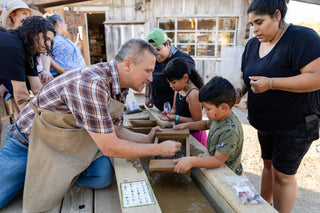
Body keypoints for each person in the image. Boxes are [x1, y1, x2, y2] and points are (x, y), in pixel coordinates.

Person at [0, 39, 181, 212]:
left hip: (65, 143)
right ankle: (37, 174)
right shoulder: (92, 83)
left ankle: (49, 174)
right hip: (27, 143)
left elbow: (115, 129)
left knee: (102, 175)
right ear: (127, 64)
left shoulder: (121, 86)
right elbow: (110, 147)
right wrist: (157, 149)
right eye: (147, 71)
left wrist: (146, 139)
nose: (151, 78)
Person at [240, 0, 320, 212]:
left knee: (283, 174)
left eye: (259, 22)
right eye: (251, 24)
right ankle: (264, 208)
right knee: (267, 165)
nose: (255, 29)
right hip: (265, 124)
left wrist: (272, 83)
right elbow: (244, 79)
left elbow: (316, 77)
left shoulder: (302, 38)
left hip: (296, 125)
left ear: (277, 15)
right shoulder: (252, 44)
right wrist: (230, 95)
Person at [173, 76, 244, 176]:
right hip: (217, 165)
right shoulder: (219, 117)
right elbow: (206, 124)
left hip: (228, 174)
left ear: (223, 107)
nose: (205, 112)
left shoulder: (230, 131)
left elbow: (218, 160)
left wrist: (192, 161)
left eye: (208, 109)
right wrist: (186, 125)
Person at [1, 0, 54, 84]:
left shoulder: (33, 35)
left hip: (34, 72)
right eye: (24, 13)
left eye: (29, 14)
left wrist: (46, 70)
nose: (27, 17)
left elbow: (44, 51)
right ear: (13, 15)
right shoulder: (8, 38)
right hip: (13, 75)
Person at [159, 57, 207, 147]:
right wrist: (169, 114)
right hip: (182, 131)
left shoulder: (193, 94)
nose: (171, 86)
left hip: (194, 135)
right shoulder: (178, 89)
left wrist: (176, 118)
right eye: (169, 83)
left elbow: (197, 121)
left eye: (173, 82)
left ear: (185, 77)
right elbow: (174, 109)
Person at [145, 28, 195, 111]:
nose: (156, 54)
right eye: (152, 51)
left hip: (179, 112)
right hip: (160, 109)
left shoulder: (184, 60)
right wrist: (147, 96)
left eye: (158, 49)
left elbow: (191, 88)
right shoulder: (152, 58)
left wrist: (175, 110)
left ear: (167, 44)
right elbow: (148, 77)